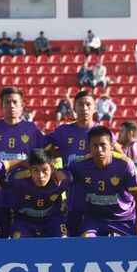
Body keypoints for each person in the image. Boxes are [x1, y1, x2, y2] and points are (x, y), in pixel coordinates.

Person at [0, 86, 46, 238]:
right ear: (1, 105)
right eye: (7, 102)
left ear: (22, 105)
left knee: (21, 236)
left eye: (15, 102)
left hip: (25, 192)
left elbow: (44, 155)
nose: (11, 106)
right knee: (0, 237)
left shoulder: (31, 129)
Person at [68, 126, 137, 236]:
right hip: (96, 219)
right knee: (87, 241)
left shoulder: (125, 165)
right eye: (95, 145)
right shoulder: (79, 165)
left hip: (125, 217)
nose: (99, 149)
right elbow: (62, 175)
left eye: (103, 145)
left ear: (111, 146)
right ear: (89, 147)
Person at [45, 90, 98, 236]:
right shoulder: (64, 131)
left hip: (97, 202)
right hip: (72, 200)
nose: (84, 108)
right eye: (80, 105)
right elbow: (42, 151)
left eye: (88, 104)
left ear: (95, 108)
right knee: (73, 243)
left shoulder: (102, 133)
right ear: (74, 108)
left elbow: (118, 157)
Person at [2, 149, 70, 238]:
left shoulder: (62, 180)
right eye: (35, 170)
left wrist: (57, 172)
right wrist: (19, 163)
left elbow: (79, 177)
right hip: (24, 222)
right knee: (18, 246)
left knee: (64, 243)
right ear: (29, 170)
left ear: (52, 169)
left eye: (45, 170)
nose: (41, 176)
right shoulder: (17, 179)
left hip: (53, 221)